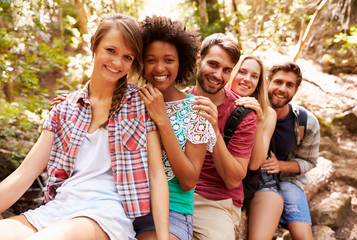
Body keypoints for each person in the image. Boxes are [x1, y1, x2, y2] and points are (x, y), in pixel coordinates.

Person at [0, 13, 169, 240]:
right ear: (94, 46)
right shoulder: (64, 109)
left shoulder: (141, 104)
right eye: (111, 50)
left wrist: (164, 237)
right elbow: (23, 175)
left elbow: (157, 176)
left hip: (105, 216)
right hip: (58, 208)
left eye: (127, 57)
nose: (118, 63)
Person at [133, 15, 216, 240]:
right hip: (125, 205)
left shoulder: (197, 110)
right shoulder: (130, 101)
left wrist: (162, 119)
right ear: (141, 62)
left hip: (173, 212)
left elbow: (189, 181)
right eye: (151, 60)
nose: (160, 67)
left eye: (168, 60)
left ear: (181, 63)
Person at [188, 34, 257, 240]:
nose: (218, 75)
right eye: (213, 64)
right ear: (199, 59)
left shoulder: (242, 113)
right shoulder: (179, 100)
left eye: (227, 70)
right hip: (174, 193)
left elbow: (233, 179)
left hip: (215, 202)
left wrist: (214, 131)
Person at [226, 55, 283, 240]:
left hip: (244, 182)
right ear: (233, 72)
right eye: (242, 72)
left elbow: (255, 163)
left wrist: (258, 120)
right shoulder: (217, 100)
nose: (246, 79)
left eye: (254, 76)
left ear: (259, 83)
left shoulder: (268, 113)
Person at [262, 62, 320, 240]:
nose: (282, 89)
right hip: (256, 182)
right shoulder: (251, 111)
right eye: (278, 82)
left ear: (295, 90)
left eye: (289, 85)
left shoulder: (306, 122)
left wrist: (280, 165)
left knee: (303, 235)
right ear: (268, 82)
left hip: (288, 180)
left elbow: (309, 161)